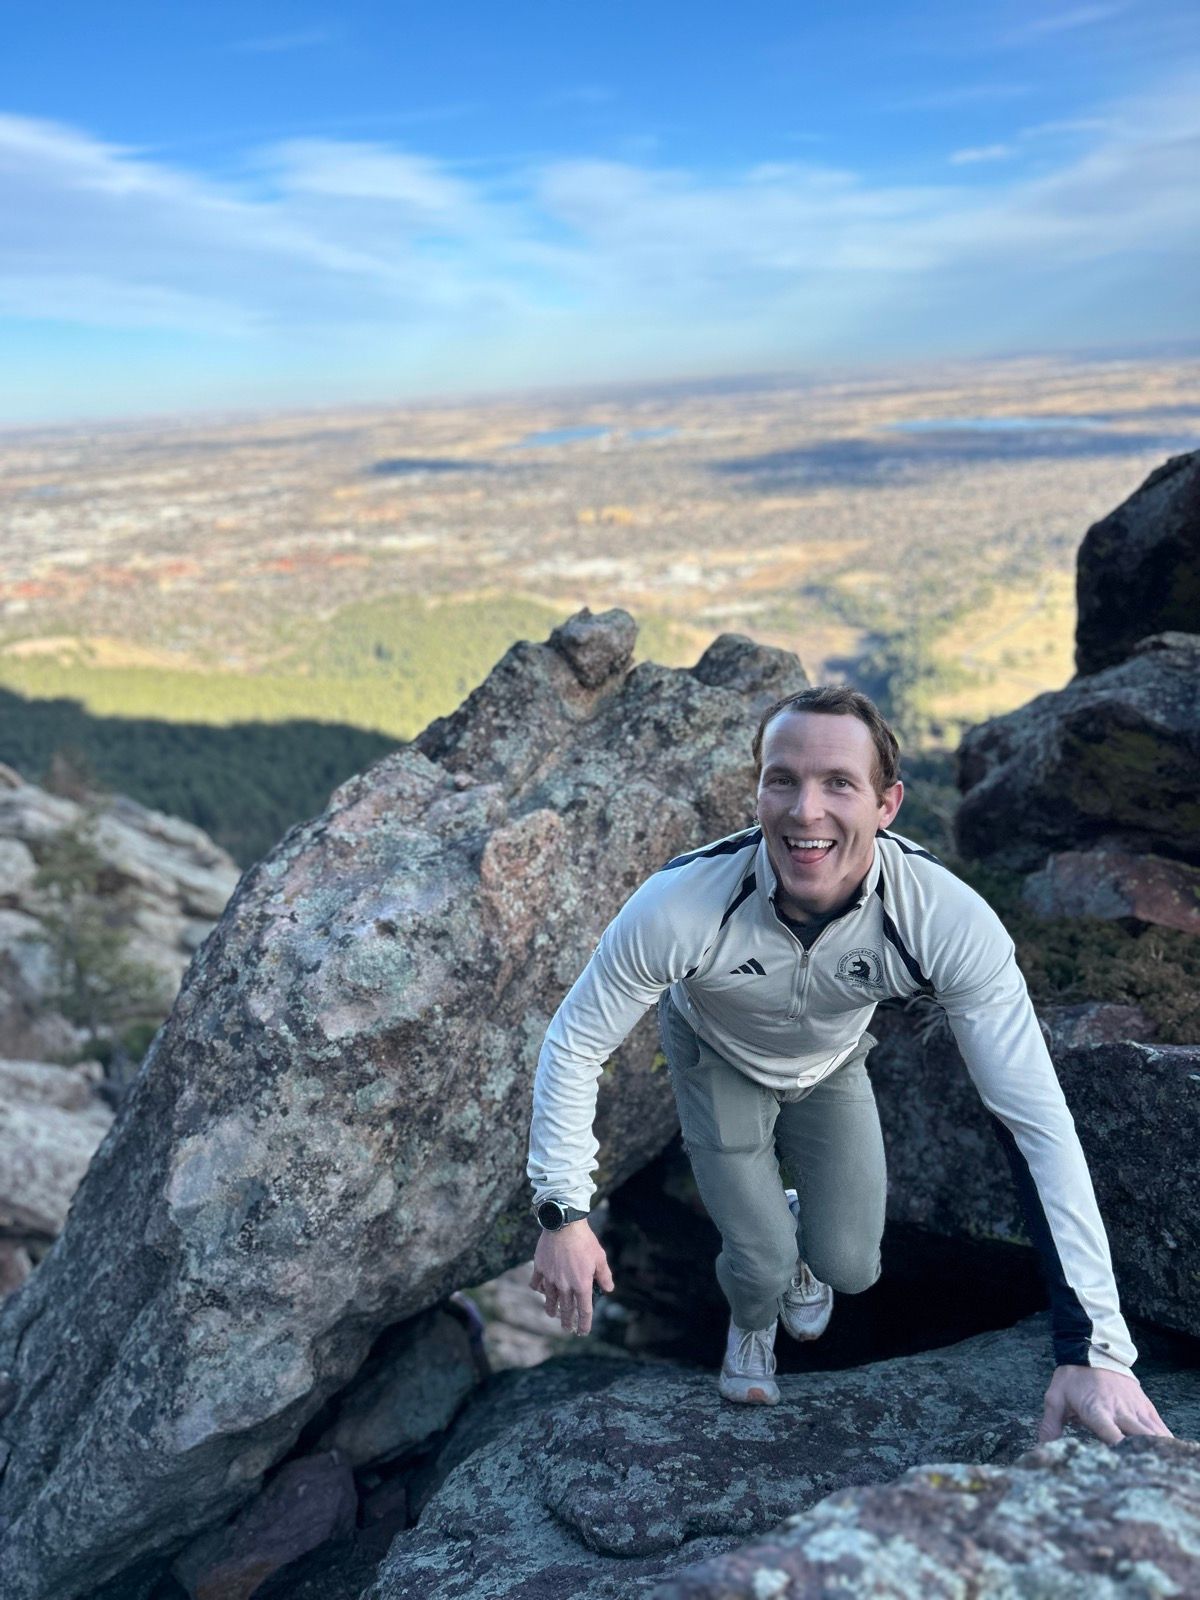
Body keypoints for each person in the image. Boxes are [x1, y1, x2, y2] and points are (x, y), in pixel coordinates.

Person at [526, 685, 1172, 1444]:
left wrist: (1095, 1350)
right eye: (782, 779)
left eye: (838, 783)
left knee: (853, 1265)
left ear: (887, 803)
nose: (806, 811)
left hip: (829, 1062)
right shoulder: (681, 905)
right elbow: (576, 1044)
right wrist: (563, 1212)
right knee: (762, 1266)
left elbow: (1035, 1122)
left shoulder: (942, 919)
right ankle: (753, 1315)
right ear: (758, 792)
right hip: (716, 1055)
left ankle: (791, 1228)